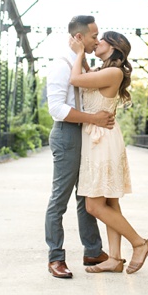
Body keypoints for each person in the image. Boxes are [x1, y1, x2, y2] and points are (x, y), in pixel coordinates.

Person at [68, 30, 148, 274]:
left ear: (113, 46)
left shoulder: (113, 72)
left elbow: (75, 80)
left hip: (101, 142)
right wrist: (83, 57)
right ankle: (115, 258)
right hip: (99, 138)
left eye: (101, 39)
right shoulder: (103, 71)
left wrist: (79, 52)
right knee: (110, 202)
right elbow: (86, 75)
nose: (97, 41)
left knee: (94, 206)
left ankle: (139, 243)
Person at [45, 15, 116, 279]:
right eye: (94, 36)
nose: (97, 40)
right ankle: (55, 258)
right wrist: (94, 119)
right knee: (59, 199)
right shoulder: (62, 65)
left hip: (85, 134)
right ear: (79, 38)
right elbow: (56, 108)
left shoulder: (81, 64)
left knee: (86, 195)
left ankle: (93, 251)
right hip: (67, 135)